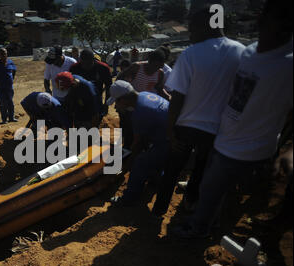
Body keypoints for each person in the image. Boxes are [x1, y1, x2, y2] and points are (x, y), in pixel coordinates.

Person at [172, 0, 293, 238]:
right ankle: (207, 225)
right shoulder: (247, 52)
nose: (282, 29)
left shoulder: (288, 64)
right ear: (261, 19)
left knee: (218, 192)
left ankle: (200, 231)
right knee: (209, 187)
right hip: (222, 136)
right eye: (279, 20)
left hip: (251, 148)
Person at [150, 7, 246, 218]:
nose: (190, 34)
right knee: (200, 171)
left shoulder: (191, 53)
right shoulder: (241, 52)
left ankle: (159, 210)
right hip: (217, 130)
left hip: (187, 126)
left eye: (193, 29)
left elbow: (177, 97)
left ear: (207, 26)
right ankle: (189, 205)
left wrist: (170, 131)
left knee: (173, 170)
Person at [107, 81, 170, 207]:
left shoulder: (140, 113)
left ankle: (129, 197)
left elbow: (138, 144)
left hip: (168, 142)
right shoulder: (144, 95)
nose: (116, 106)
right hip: (170, 135)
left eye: (117, 102)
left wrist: (125, 169)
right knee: (151, 158)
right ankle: (156, 179)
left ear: (124, 99)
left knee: (140, 163)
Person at [69, 49, 113, 116]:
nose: (85, 66)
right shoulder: (74, 68)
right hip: (79, 99)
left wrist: (106, 105)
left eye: (88, 64)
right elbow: (70, 87)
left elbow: (108, 87)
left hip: (96, 99)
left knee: (95, 120)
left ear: (93, 60)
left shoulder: (103, 68)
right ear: (80, 60)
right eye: (83, 63)